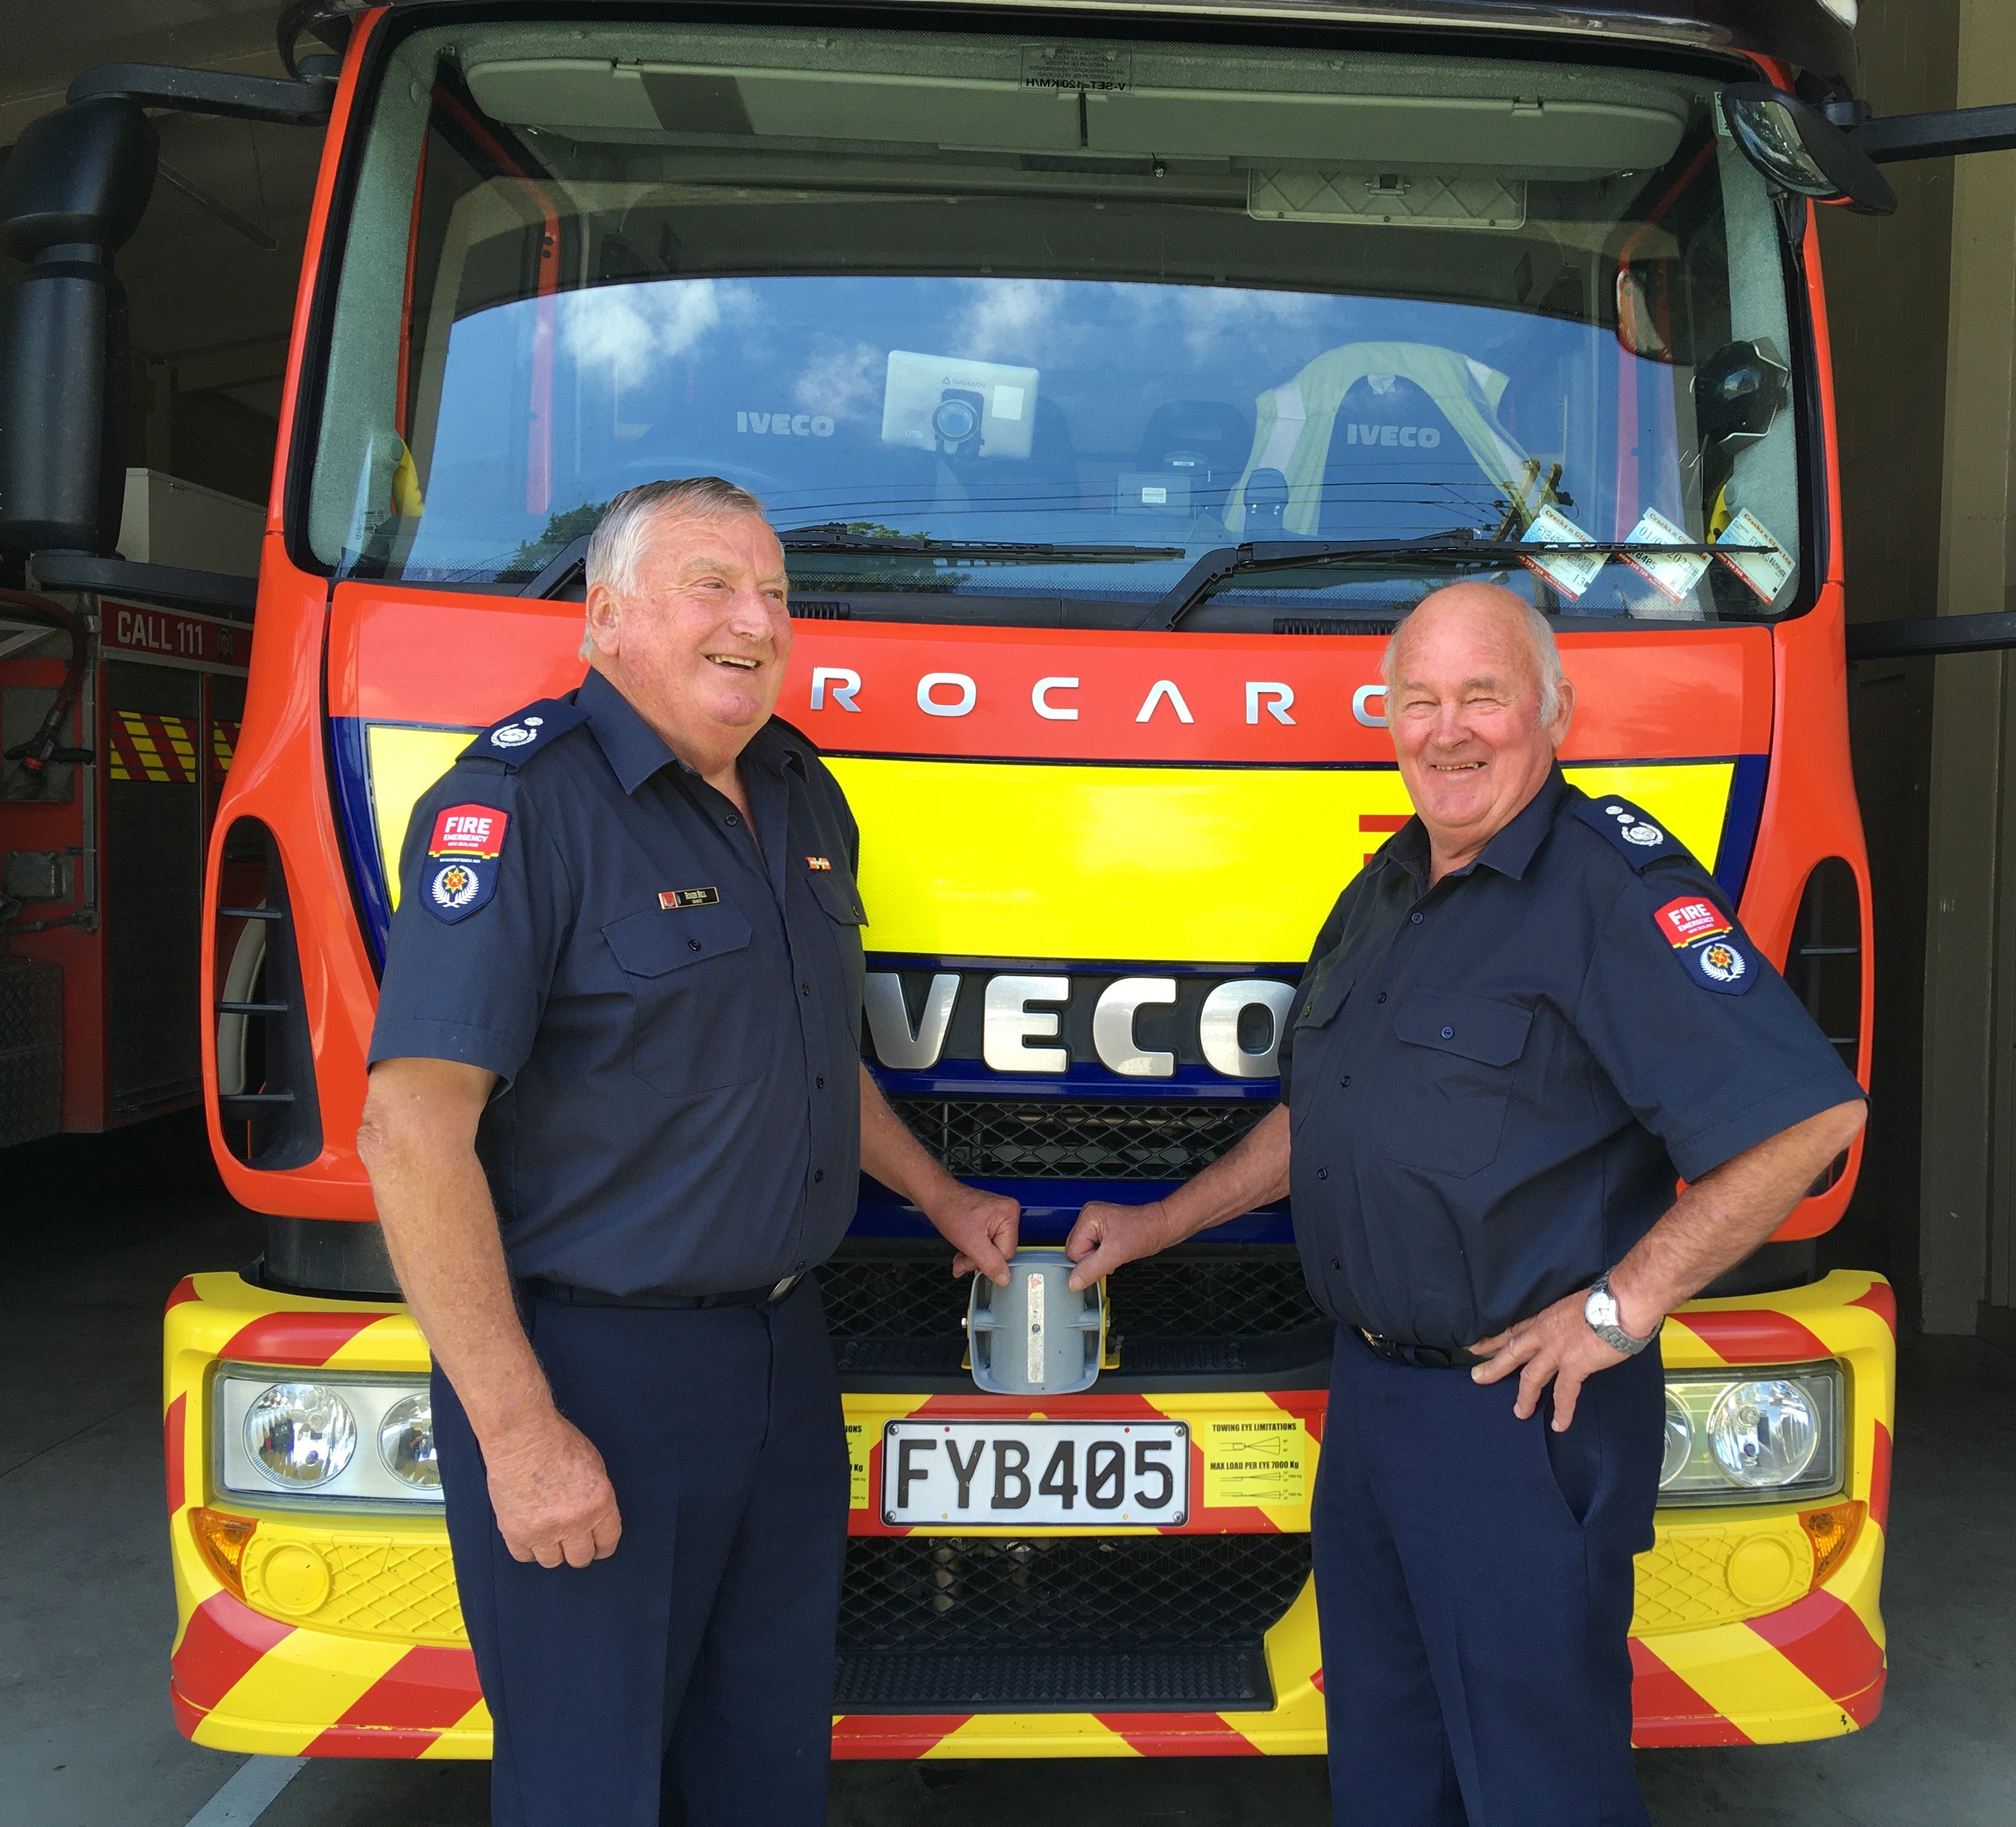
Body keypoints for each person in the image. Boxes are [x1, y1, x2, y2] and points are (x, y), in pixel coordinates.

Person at [1063, 582, 1866, 1826]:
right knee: (1389, 1767)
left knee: (1538, 1787)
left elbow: (1808, 1117)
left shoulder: (1608, 889)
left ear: (1554, 711)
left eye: (1482, 697)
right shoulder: (1386, 891)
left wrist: (1619, 1309)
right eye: (1421, 701)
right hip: (1374, 1402)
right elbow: (1332, 1114)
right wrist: (1163, 1223)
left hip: (1522, 1416)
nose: (1449, 731)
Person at [358, 476, 1018, 1827]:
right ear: (606, 619)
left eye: (774, 594)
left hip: (781, 1361)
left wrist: (941, 1193)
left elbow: (809, 1065)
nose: (755, 620)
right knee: (592, 1783)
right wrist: (518, 1430)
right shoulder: (520, 805)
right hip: (596, 1377)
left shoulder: (796, 793)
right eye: (712, 585)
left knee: (766, 1762)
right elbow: (410, 1132)